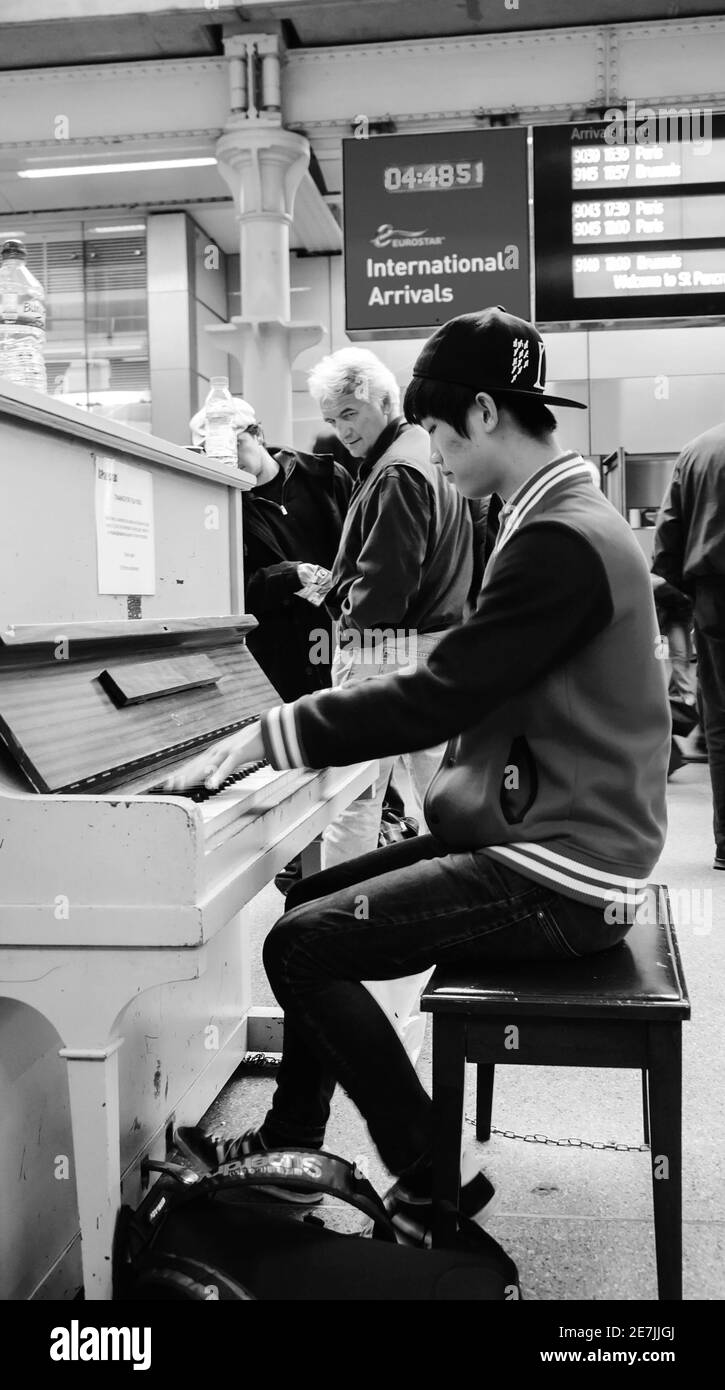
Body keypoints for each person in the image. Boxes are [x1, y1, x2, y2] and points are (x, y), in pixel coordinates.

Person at [175, 308, 670, 1241]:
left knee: (302, 949)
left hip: (563, 869)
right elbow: (464, 675)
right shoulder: (557, 517)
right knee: (305, 906)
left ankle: (430, 1187)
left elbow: (443, 694)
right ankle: (292, 1145)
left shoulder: (560, 537)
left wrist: (273, 734)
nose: (434, 453)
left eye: (439, 433)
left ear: (482, 415)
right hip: (543, 830)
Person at [189, 396, 351, 702]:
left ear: (258, 434)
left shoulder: (325, 478)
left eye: (236, 444)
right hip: (277, 658)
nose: (229, 458)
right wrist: (287, 576)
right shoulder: (218, 507)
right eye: (214, 451)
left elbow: (361, 548)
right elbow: (220, 594)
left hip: (341, 638)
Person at [652, 420, 725, 866]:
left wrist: (696, 596)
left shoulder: (698, 449)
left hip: (715, 600)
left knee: (719, 724)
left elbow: (667, 545)